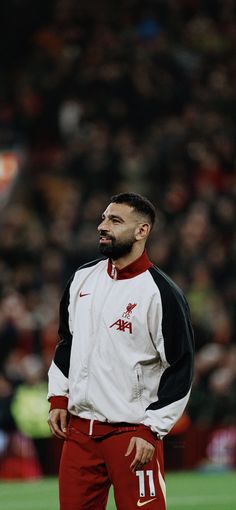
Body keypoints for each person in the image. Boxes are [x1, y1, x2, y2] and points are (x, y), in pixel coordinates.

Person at [47, 192, 194, 510]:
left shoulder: (161, 293)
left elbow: (180, 366)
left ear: (142, 231)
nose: (103, 226)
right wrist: (59, 396)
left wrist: (152, 429)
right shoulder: (81, 279)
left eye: (115, 220)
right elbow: (67, 342)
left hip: (132, 435)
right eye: (103, 218)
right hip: (79, 434)